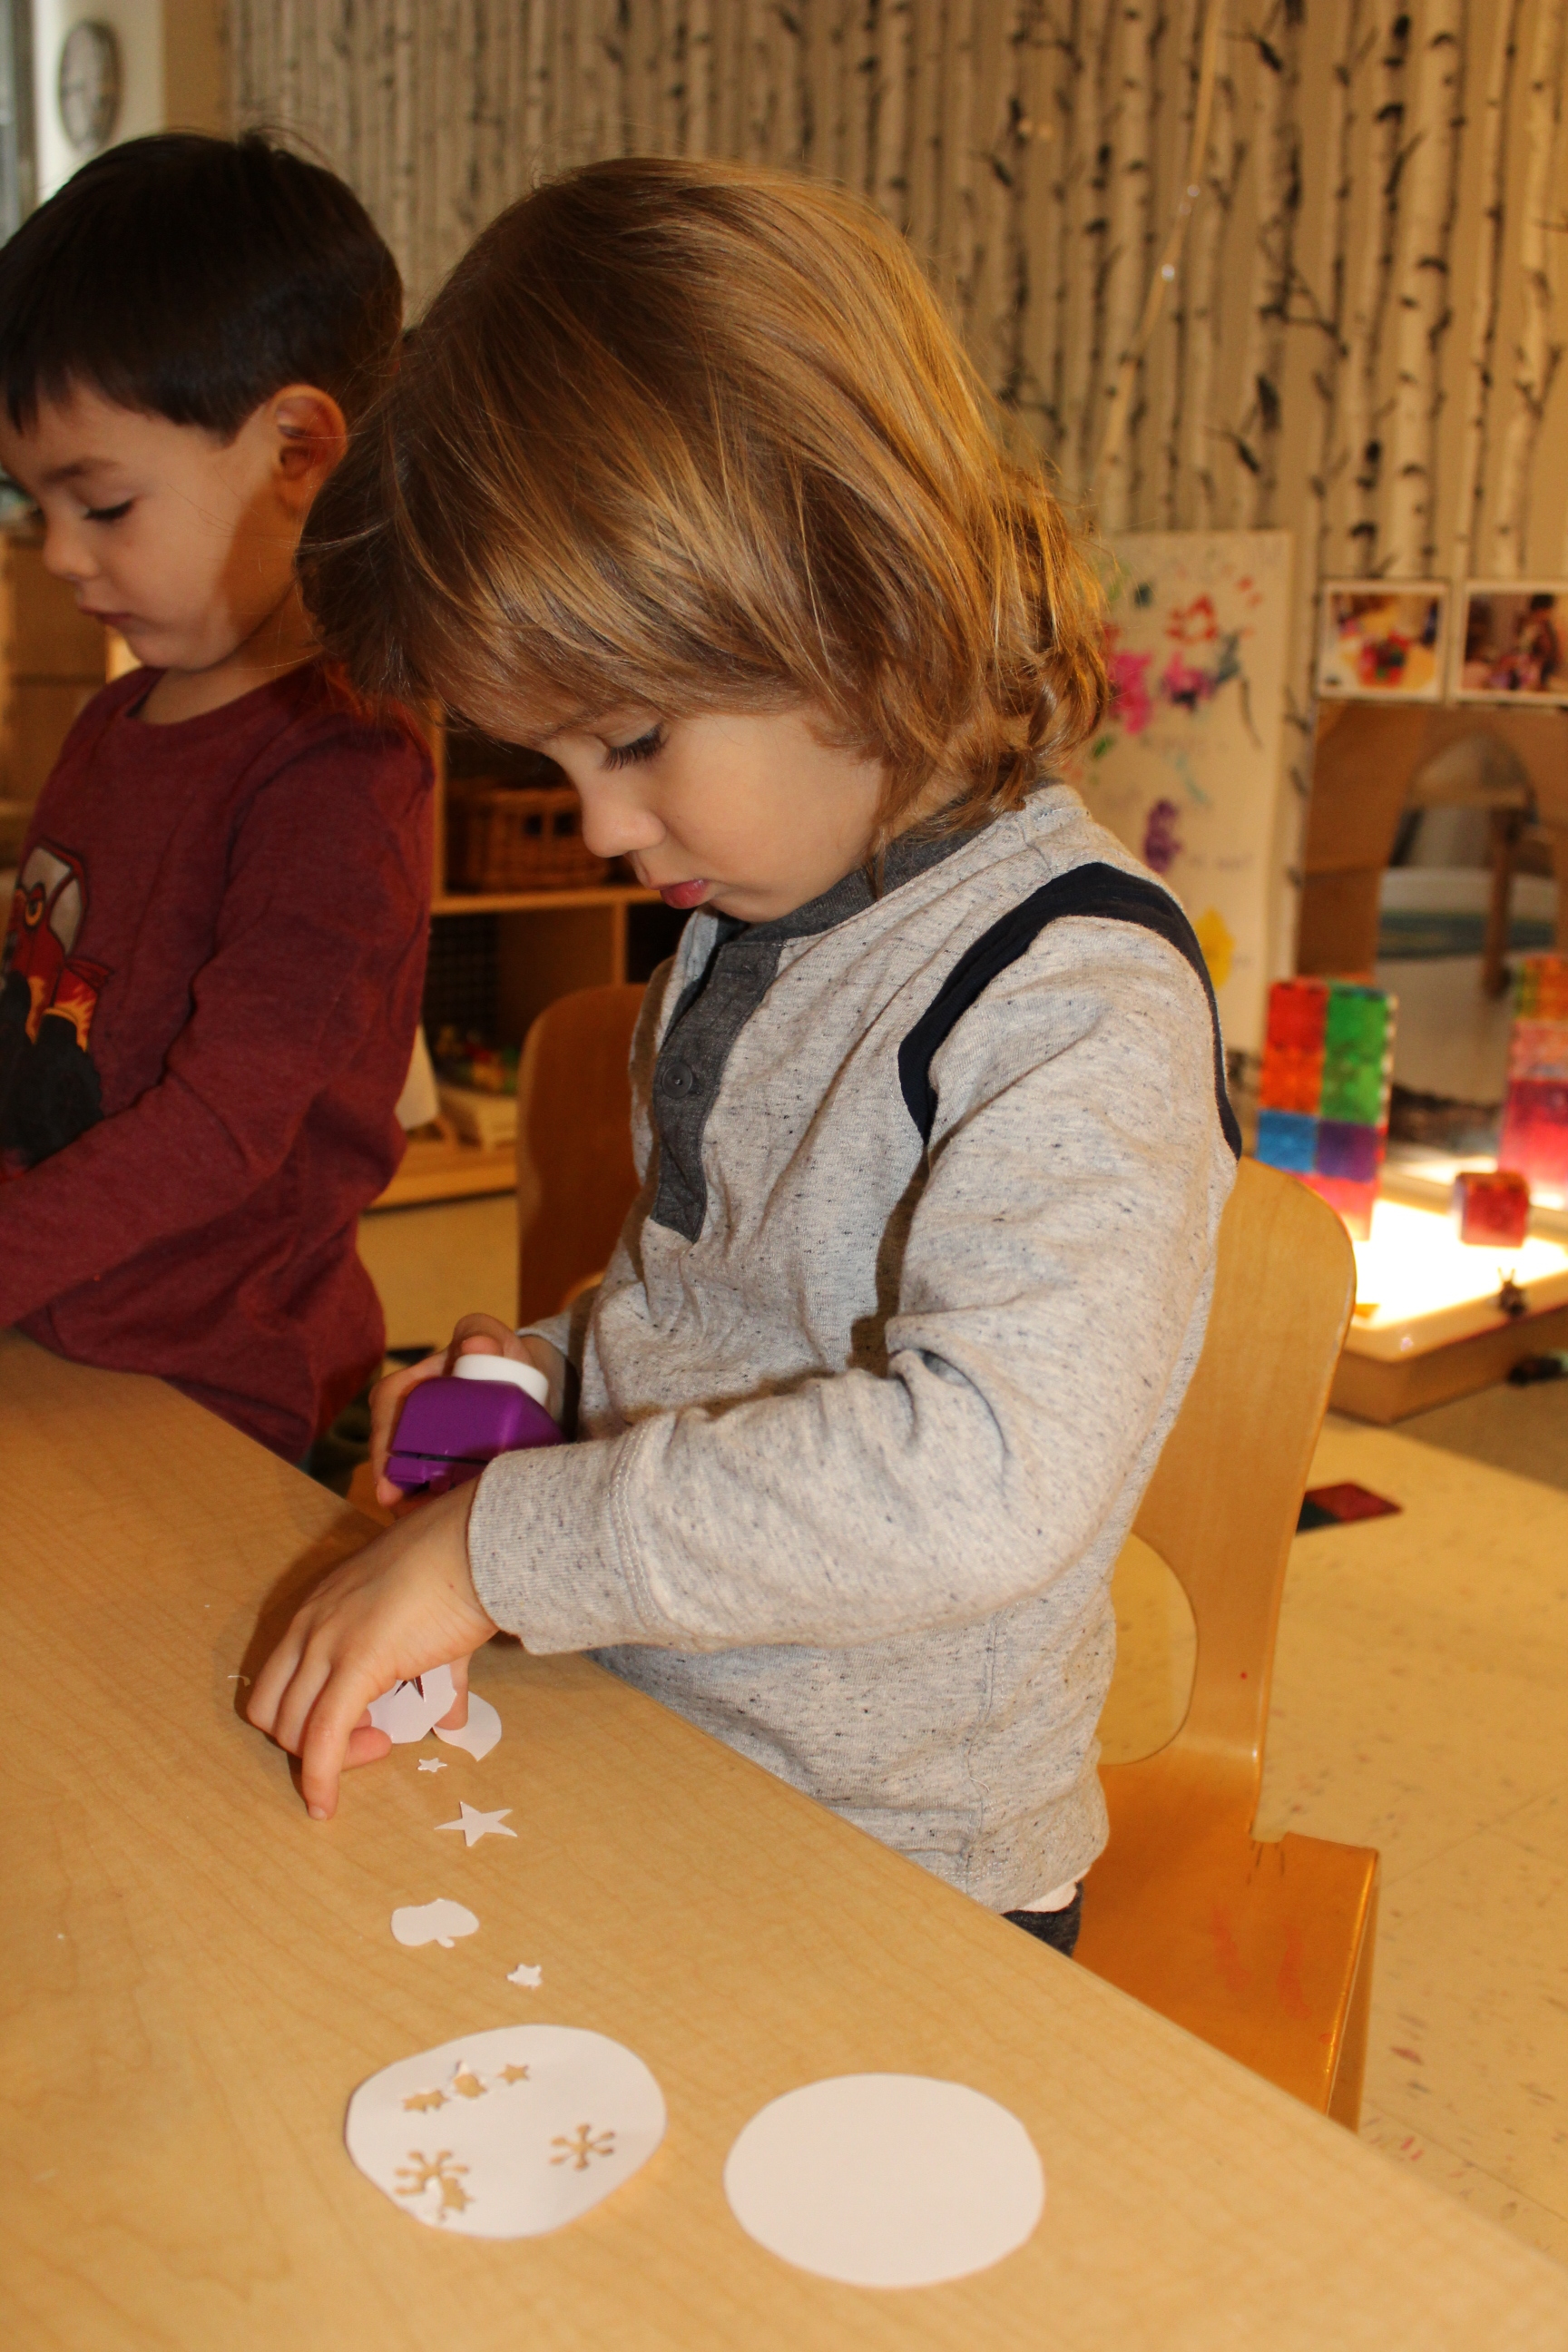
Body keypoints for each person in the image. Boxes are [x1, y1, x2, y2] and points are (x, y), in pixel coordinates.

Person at [247, 159, 1240, 1953]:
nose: (601, 826)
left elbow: (985, 1479)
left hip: (903, 1862)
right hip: (649, 1738)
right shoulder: (752, 912)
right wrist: (552, 1378)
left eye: (631, 738)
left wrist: (501, 1546)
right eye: (554, 763)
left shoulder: (1075, 997)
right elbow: (727, 1318)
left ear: (856, 595)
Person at [0, 132, 432, 1463]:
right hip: (57, 1332)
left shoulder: (339, 770)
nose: (58, 555)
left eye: (103, 504)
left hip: (218, 1394)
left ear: (298, 446)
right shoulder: (116, 719)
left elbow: (222, 1126)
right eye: (33, 504)